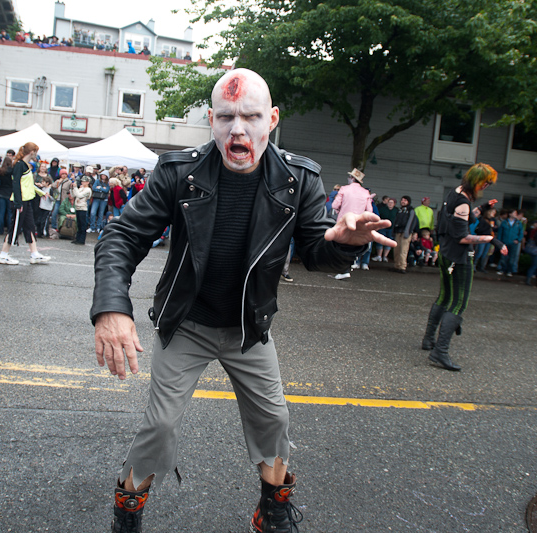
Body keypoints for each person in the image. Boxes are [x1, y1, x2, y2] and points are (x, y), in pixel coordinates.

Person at [91, 68, 394, 533]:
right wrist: (112, 308)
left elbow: (316, 249)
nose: (238, 129)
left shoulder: (297, 179)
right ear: (210, 119)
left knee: (274, 418)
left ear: (271, 119)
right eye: (226, 117)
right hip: (187, 323)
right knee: (160, 425)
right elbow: (123, 235)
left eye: (250, 116)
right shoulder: (179, 172)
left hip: (249, 328)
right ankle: (127, 506)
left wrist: (344, 242)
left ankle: (271, 508)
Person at [421, 163, 506, 371]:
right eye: (486, 182)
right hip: (458, 257)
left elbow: (463, 217)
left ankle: (428, 340)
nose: (487, 186)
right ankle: (440, 351)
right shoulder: (462, 202)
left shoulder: (456, 194)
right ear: (477, 180)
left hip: (446, 254)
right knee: (458, 303)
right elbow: (462, 236)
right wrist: (491, 239)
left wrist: (483, 208)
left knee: (444, 297)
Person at [0, 142, 51, 265]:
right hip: (20, 202)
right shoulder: (19, 165)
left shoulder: (25, 165)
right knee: (14, 228)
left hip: (26, 201)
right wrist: (18, 202)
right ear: (32, 152)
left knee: (30, 227)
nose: (36, 155)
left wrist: (41, 193)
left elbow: (28, 184)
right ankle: (3, 255)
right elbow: (16, 184)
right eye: (36, 152)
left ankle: (34, 254)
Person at [331, 167, 373, 279]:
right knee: (352, 246)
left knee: (340, 245)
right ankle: (347, 267)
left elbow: (334, 205)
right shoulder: (366, 193)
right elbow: (369, 210)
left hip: (343, 221)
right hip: (357, 223)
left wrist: (340, 209)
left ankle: (342, 269)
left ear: (351, 178)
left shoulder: (344, 189)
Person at [390, 195, 418, 273]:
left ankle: (402, 266)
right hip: (398, 231)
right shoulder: (399, 210)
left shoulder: (411, 210)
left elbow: (410, 222)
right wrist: (393, 231)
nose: (403, 201)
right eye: (402, 200)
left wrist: (407, 232)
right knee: (397, 249)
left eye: (405, 200)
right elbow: (395, 221)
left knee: (403, 250)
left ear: (408, 202)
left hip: (406, 232)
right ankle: (397, 265)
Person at [496, 209, 523, 277]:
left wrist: (518, 240)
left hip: (513, 243)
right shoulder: (504, 222)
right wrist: (499, 242)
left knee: (512, 258)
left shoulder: (518, 223)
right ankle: (502, 269)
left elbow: (521, 233)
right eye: (514, 213)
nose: (515, 215)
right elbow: (500, 233)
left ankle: (509, 271)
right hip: (505, 242)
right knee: (504, 257)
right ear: (510, 214)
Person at [0, 156, 14, 235]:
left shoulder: (0, 171)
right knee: (9, 212)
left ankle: (0, 229)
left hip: (1, 192)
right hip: (10, 193)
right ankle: (9, 229)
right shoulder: (12, 171)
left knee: (1, 212)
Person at [372, 197, 397, 262]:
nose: (390, 204)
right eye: (389, 202)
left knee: (388, 242)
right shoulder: (382, 209)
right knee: (380, 241)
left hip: (391, 229)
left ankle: (385, 256)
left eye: (392, 202)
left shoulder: (396, 210)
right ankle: (379, 256)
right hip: (382, 228)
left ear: (394, 204)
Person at [71, 176, 92, 245]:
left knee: (83, 224)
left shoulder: (88, 190)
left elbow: (79, 195)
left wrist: (75, 187)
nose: (82, 182)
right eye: (82, 181)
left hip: (83, 207)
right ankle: (78, 238)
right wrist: (73, 188)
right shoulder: (81, 188)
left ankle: (82, 239)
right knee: (79, 224)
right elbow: (74, 194)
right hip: (77, 207)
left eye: (84, 181)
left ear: (88, 182)